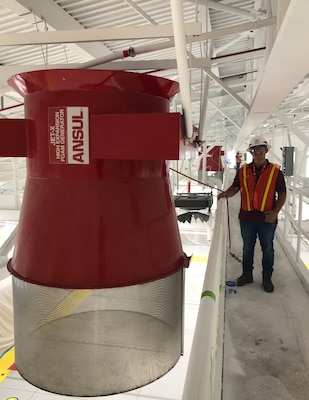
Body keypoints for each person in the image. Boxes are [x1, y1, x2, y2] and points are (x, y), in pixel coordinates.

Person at [218, 136, 286, 293]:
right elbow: (235, 188)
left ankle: (267, 278)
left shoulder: (276, 171)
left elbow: (282, 193)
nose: (257, 152)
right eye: (254, 150)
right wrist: (224, 194)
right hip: (247, 218)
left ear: (266, 150)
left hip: (267, 218)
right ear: (251, 152)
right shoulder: (243, 171)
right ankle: (247, 274)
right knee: (247, 248)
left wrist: (275, 212)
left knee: (267, 248)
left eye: (260, 149)